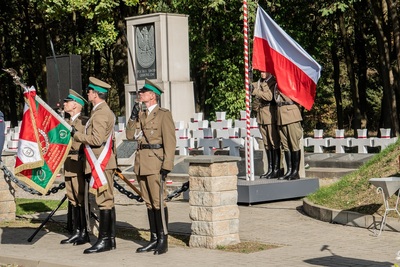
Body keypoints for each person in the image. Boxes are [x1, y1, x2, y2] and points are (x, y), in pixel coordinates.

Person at [126, 79, 176, 255]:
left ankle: (163, 239)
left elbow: (170, 141)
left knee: (158, 202)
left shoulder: (163, 115)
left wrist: (167, 164)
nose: (140, 94)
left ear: (152, 95)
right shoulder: (141, 114)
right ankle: (153, 238)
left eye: (144, 92)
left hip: (155, 162)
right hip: (141, 163)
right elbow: (130, 135)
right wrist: (132, 117)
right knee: (148, 203)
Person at [72, 77, 117, 254]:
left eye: (90, 91)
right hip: (101, 162)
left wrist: (77, 135)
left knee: (104, 200)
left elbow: (97, 140)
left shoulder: (101, 113)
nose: (88, 93)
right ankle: (109, 239)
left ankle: (105, 240)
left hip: (101, 162)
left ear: (97, 94)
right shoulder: (99, 111)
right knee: (105, 199)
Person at [61, 89, 90, 246]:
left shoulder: (84, 122)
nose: (64, 104)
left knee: (80, 198)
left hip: (79, 162)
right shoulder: (65, 122)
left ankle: (84, 232)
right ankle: (77, 231)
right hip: (68, 163)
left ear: (76, 105)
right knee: (72, 198)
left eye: (67, 101)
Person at [251, 71, 281, 179]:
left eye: (264, 71)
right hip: (261, 115)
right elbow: (256, 97)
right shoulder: (260, 82)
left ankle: (277, 169)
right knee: (266, 143)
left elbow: (269, 97)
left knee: (274, 142)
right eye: (261, 71)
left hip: (270, 115)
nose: (262, 73)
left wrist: (256, 90)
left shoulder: (272, 82)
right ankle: (270, 168)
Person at [275, 86, 303, 181]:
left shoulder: (291, 82)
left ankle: (296, 172)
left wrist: (282, 90)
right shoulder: (277, 84)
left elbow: (294, 96)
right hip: (281, 117)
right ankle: (289, 170)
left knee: (294, 144)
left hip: (291, 116)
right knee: (285, 145)